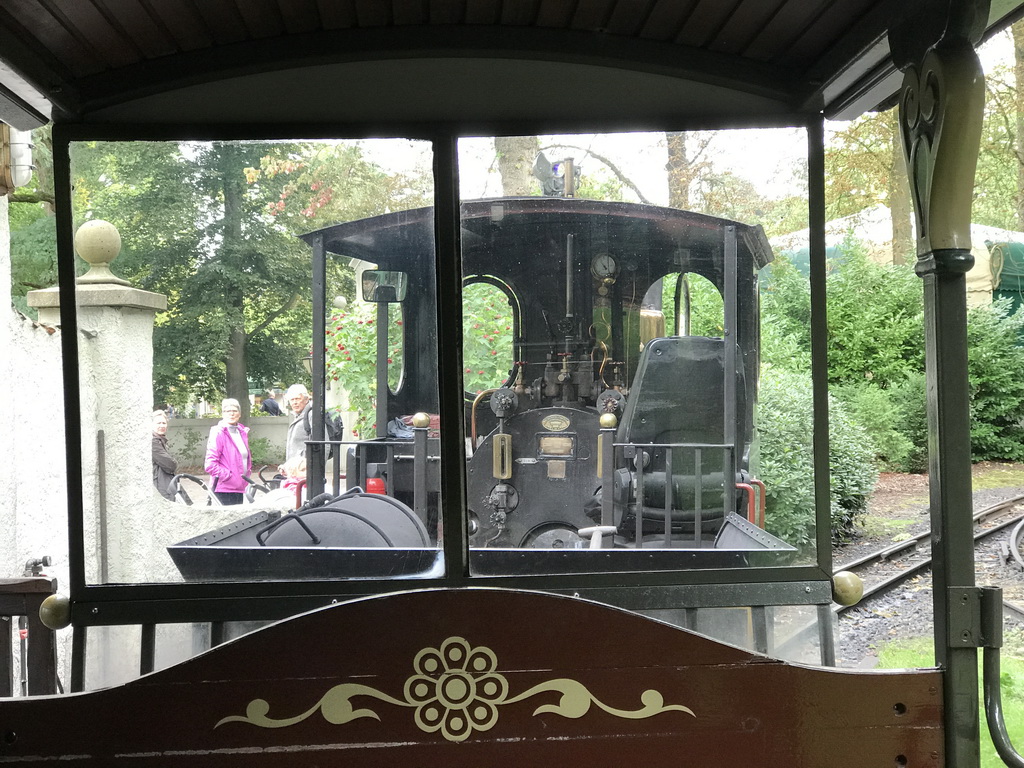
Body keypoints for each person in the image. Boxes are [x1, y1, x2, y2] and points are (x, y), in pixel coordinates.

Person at [204, 398, 251, 505]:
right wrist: (229, 476)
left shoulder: (242, 432)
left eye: (234, 411)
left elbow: (244, 458)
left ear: (239, 414)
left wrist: (245, 476)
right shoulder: (218, 432)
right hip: (223, 489)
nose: (231, 414)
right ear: (223, 414)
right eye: (227, 411)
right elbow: (210, 465)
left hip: (239, 488)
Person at [151, 409, 178, 501]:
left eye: (164, 423)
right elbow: (170, 464)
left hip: (163, 483)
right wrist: (174, 462)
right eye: (158, 423)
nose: (162, 425)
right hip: (159, 485)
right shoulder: (153, 441)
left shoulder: (160, 440)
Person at [285, 383, 312, 461]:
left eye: (297, 399)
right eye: (292, 400)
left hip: (304, 469)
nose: (295, 402)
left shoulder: (311, 415)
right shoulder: (298, 416)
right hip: (296, 470)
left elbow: (323, 445)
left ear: (306, 399)